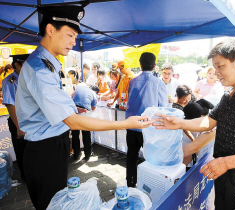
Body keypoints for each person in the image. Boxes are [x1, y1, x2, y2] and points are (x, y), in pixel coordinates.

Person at [15, 6, 154, 210]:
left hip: (53, 145)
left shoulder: (49, 64)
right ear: (51, 30)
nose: (74, 41)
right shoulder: (40, 69)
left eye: (75, 36)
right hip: (45, 149)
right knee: (51, 205)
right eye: (70, 35)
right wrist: (124, 123)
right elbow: (71, 120)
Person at [154, 39, 235, 210]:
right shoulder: (228, 94)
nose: (216, 73)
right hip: (222, 172)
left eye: (220, 66)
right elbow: (209, 121)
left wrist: (227, 163)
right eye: (215, 68)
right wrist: (179, 123)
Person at [125, 52, 168, 187]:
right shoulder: (159, 83)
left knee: (131, 155)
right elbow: (163, 107)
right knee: (150, 157)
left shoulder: (132, 81)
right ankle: (149, 185)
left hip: (132, 124)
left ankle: (130, 182)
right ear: (154, 66)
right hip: (149, 128)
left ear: (140, 65)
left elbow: (129, 100)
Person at [2, 54, 30, 182]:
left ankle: (33, 174)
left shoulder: (27, 77)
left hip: (30, 120)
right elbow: (10, 104)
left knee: (31, 149)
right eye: (24, 63)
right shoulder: (10, 81)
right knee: (22, 151)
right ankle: (26, 177)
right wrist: (19, 127)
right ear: (16, 65)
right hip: (19, 121)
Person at [71, 84, 99, 161]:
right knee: (86, 134)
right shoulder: (94, 95)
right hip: (84, 112)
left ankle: (76, 154)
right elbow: (93, 108)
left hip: (73, 112)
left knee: (75, 134)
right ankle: (87, 154)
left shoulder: (79, 88)